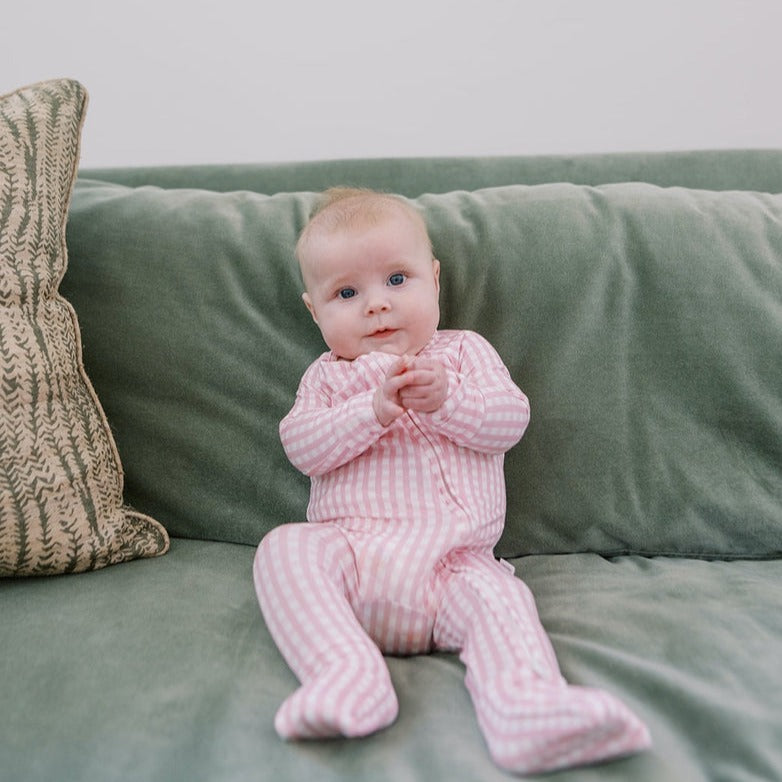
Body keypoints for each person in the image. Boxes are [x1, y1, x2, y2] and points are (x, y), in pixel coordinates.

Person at [253, 188, 651, 775]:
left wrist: (448, 402)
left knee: (502, 600)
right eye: (346, 292)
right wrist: (370, 411)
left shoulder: (463, 354)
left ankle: (527, 709)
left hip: (452, 567)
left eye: (397, 280)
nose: (376, 307)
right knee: (284, 550)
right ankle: (346, 674)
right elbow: (302, 447)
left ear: (434, 280)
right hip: (353, 562)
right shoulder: (328, 379)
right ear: (314, 310)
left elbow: (508, 423)